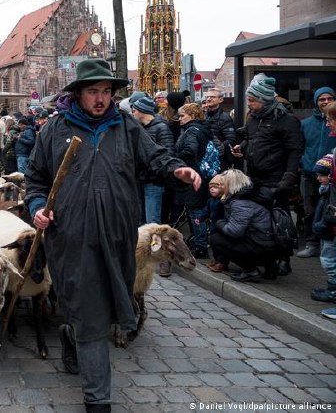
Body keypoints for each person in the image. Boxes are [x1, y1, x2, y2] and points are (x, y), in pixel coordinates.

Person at [25, 59, 200, 413]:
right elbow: (35, 179)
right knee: (91, 311)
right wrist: (38, 208)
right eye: (93, 91)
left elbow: (155, 159)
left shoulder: (125, 127)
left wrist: (176, 169)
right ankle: (98, 400)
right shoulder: (55, 130)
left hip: (118, 236)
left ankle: (70, 334)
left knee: (103, 307)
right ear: (78, 94)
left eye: (106, 92)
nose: (101, 99)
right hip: (71, 237)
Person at [231, 74, 303, 275]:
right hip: (256, 177)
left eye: (253, 100)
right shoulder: (254, 119)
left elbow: (294, 150)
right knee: (260, 221)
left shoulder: (286, 120)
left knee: (280, 221)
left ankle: (284, 258)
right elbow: (252, 140)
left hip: (277, 178)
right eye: (249, 100)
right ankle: (267, 259)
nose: (250, 104)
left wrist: (289, 177)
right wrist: (241, 148)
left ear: (264, 99)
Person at [208, 169, 277, 283]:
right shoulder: (250, 195)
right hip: (266, 240)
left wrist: (219, 223)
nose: (221, 186)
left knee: (216, 239)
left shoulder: (240, 202)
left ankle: (250, 270)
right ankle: (270, 268)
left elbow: (234, 231)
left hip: (261, 244)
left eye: (223, 184)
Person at [298, 87, 336, 258]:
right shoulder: (306, 123)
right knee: (309, 210)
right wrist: (303, 163)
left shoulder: (334, 121)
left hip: (331, 177)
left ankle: (327, 246)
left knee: (329, 210)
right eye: (322, 99)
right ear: (316, 102)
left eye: (329, 98)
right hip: (309, 174)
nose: (326, 101)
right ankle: (312, 244)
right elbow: (299, 147)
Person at [172, 103, 214, 260]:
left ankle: (201, 245)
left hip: (195, 176)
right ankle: (199, 242)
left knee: (195, 210)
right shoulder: (202, 129)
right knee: (197, 209)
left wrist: (175, 159)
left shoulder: (192, 131)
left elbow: (190, 150)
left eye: (182, 116)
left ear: (193, 116)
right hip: (201, 175)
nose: (179, 119)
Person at [131, 95, 174, 230]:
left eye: (134, 110)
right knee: (141, 220)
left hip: (154, 181)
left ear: (142, 111)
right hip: (140, 179)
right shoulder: (139, 128)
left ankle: (155, 250)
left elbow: (168, 154)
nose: (132, 113)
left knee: (152, 221)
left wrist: (149, 165)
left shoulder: (161, 128)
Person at [310, 154, 336, 303]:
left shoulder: (330, 194)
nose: (319, 178)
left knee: (329, 261)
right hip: (325, 231)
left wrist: (321, 225)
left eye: (322, 175)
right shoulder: (325, 191)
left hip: (329, 231)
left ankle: (333, 290)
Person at [197, 174, 227, 272]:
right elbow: (206, 211)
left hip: (222, 226)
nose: (212, 189)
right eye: (211, 187)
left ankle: (222, 262)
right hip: (213, 225)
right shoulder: (210, 200)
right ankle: (216, 259)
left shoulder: (223, 201)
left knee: (221, 245)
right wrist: (200, 218)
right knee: (213, 244)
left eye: (215, 187)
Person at [203, 88, 237, 169]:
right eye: (207, 97)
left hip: (220, 159)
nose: (208, 99)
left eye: (212, 97)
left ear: (220, 99)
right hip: (205, 158)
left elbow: (231, 139)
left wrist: (217, 147)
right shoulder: (203, 116)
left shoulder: (225, 117)